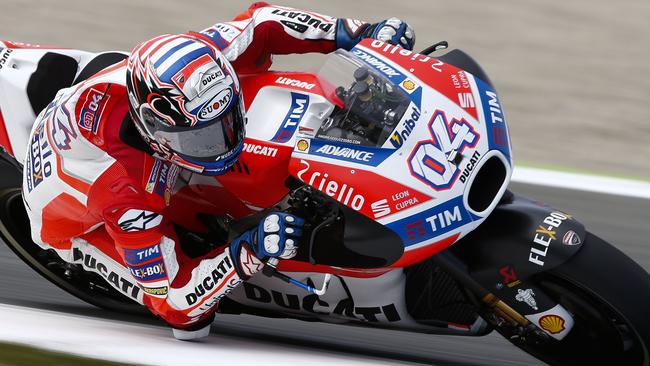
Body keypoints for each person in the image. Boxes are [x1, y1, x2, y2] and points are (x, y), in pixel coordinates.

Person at [22, 2, 415, 340]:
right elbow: (174, 303)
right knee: (194, 323)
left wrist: (357, 33)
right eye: (202, 138)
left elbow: (263, 22)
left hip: (96, 98)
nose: (223, 143)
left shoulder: (201, 57)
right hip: (72, 212)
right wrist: (248, 251)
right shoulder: (126, 195)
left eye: (227, 122)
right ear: (154, 130)